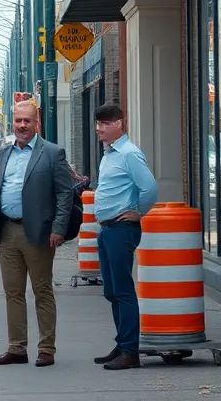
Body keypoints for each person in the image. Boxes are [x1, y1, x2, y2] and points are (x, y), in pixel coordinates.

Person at [0, 100, 74, 367]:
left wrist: (58, 228)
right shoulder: (3, 153)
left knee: (42, 290)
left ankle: (46, 348)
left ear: (37, 123)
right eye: (18, 120)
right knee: (13, 292)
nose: (22, 125)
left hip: (39, 233)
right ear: (12, 122)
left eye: (27, 121)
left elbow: (65, 194)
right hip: (7, 231)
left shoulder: (52, 153)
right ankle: (17, 348)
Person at [91, 103, 159, 371]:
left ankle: (130, 351)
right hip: (107, 229)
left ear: (119, 124)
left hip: (121, 230)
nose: (98, 128)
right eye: (97, 123)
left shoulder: (129, 153)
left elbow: (149, 188)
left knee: (123, 290)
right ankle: (122, 345)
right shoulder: (109, 154)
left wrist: (138, 212)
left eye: (104, 124)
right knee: (111, 291)